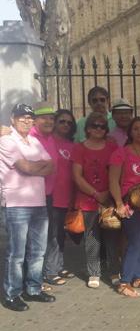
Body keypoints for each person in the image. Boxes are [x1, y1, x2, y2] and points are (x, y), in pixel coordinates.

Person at [0, 104, 55, 311]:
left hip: (38, 203)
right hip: (16, 205)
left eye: (29, 118)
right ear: (12, 119)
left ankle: (33, 288)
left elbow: (51, 166)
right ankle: (12, 294)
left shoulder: (34, 141)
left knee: (38, 251)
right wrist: (36, 167)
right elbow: (25, 167)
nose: (26, 120)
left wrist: (34, 167)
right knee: (16, 254)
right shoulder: (6, 140)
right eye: (21, 117)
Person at [109, 117, 140, 297]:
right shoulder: (121, 153)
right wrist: (119, 204)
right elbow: (113, 180)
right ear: (130, 132)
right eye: (136, 129)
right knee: (135, 241)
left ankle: (139, 277)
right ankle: (124, 282)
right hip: (129, 204)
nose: (139, 132)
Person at [72, 113, 119, 288]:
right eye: (94, 125)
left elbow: (118, 172)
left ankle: (114, 271)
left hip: (109, 199)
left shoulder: (113, 147)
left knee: (112, 237)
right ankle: (94, 272)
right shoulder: (79, 148)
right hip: (88, 200)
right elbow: (77, 176)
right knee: (92, 238)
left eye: (102, 126)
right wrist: (96, 193)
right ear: (88, 128)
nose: (98, 129)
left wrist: (108, 193)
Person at [42, 109, 77, 287]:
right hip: (51, 196)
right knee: (52, 235)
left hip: (67, 197)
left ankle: (58, 265)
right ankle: (49, 271)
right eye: (62, 121)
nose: (65, 125)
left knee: (60, 234)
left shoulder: (72, 145)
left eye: (69, 123)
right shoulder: (48, 141)